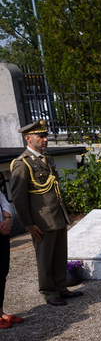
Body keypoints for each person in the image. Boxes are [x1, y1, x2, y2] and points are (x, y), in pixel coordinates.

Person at [10, 119, 82, 307]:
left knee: (59, 255)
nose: (45, 139)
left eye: (45, 135)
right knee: (45, 258)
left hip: (56, 215)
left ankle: (61, 288)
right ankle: (49, 292)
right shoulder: (22, 163)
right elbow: (19, 198)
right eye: (40, 136)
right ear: (28, 138)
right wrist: (28, 224)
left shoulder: (46, 158)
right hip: (41, 219)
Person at [0, 189, 23, 328]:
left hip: (1, 230)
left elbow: (2, 199)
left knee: (2, 271)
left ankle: (1, 312)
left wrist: (8, 219)